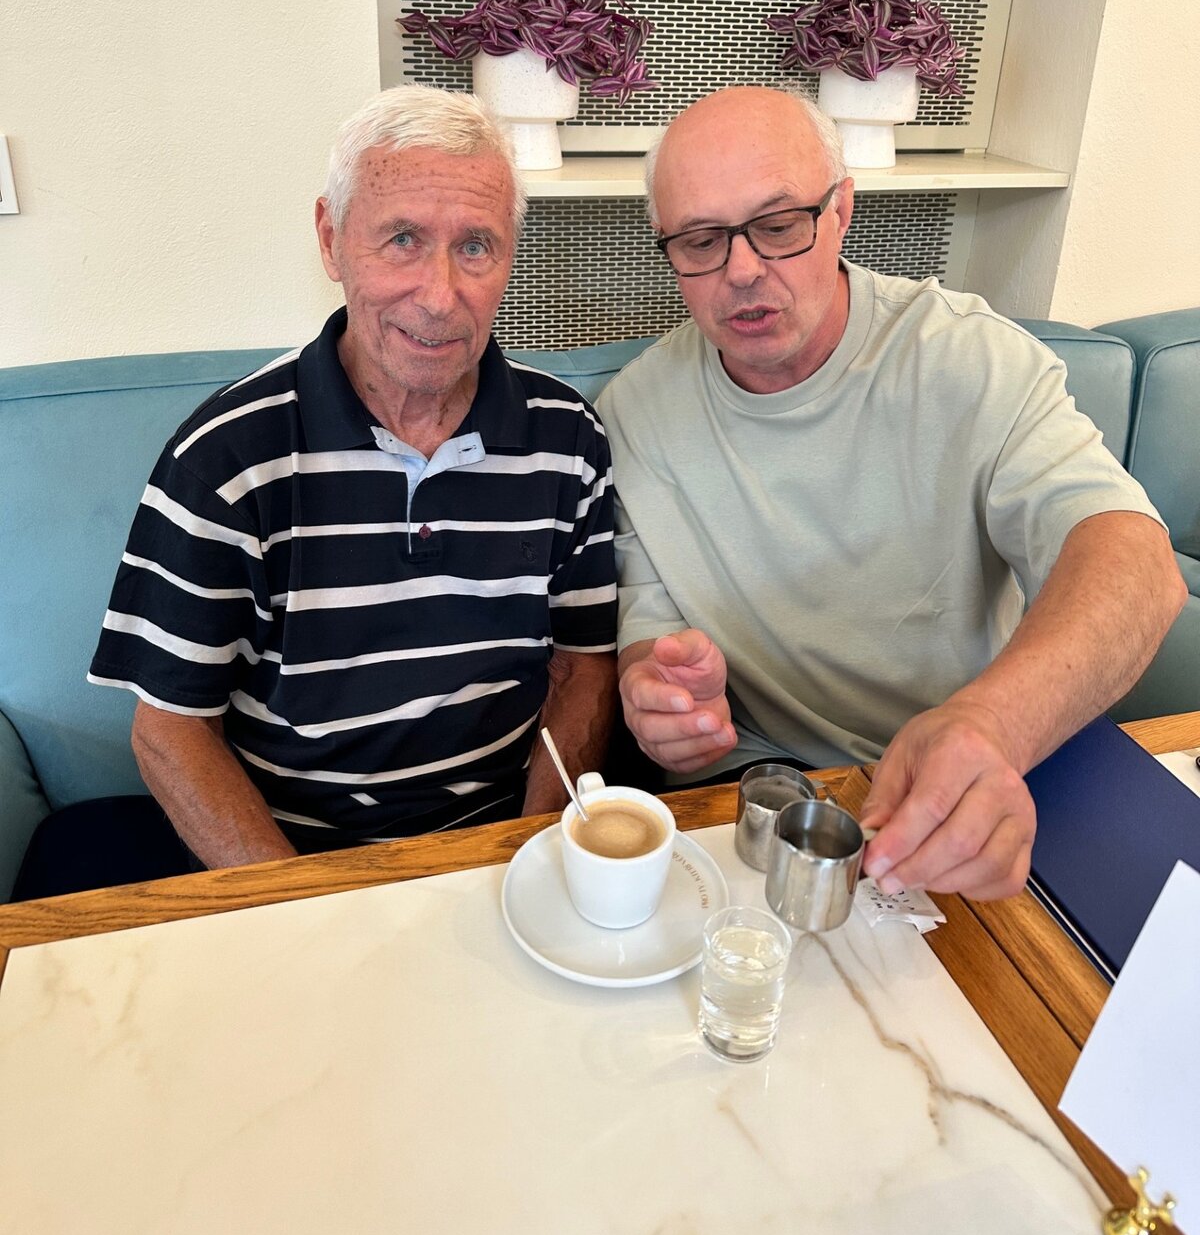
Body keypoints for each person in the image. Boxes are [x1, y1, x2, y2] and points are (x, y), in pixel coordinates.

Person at [596, 86, 1186, 901]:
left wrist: (992, 725)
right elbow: (651, 633)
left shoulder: (968, 359)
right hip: (767, 794)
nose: (742, 271)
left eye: (778, 226)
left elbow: (1135, 564)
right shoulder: (632, 414)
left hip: (984, 768)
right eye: (700, 240)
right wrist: (660, 699)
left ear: (841, 211)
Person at [89, 85, 617, 866]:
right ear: (331, 240)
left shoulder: (567, 437)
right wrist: (300, 905)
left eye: (476, 246)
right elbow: (169, 729)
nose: (440, 296)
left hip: (502, 838)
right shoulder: (226, 458)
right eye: (402, 239)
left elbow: (583, 666)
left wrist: (531, 858)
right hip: (297, 853)